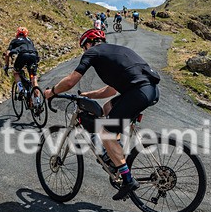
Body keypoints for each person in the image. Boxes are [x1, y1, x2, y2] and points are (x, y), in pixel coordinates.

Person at [44, 29, 161, 201]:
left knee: (105, 133)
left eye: (84, 48)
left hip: (137, 93)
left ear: (88, 43)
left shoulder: (93, 52)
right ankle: (116, 156)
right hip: (150, 90)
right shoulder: (116, 51)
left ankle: (127, 180)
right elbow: (111, 89)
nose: (85, 51)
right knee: (108, 108)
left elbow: (70, 81)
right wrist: (88, 95)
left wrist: (52, 92)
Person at [3, 26, 39, 97]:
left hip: (23, 55)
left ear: (17, 33)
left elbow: (7, 54)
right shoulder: (29, 40)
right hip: (34, 55)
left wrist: (6, 66)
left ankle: (21, 89)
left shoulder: (14, 41)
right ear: (26, 34)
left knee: (16, 72)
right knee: (33, 78)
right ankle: (37, 102)